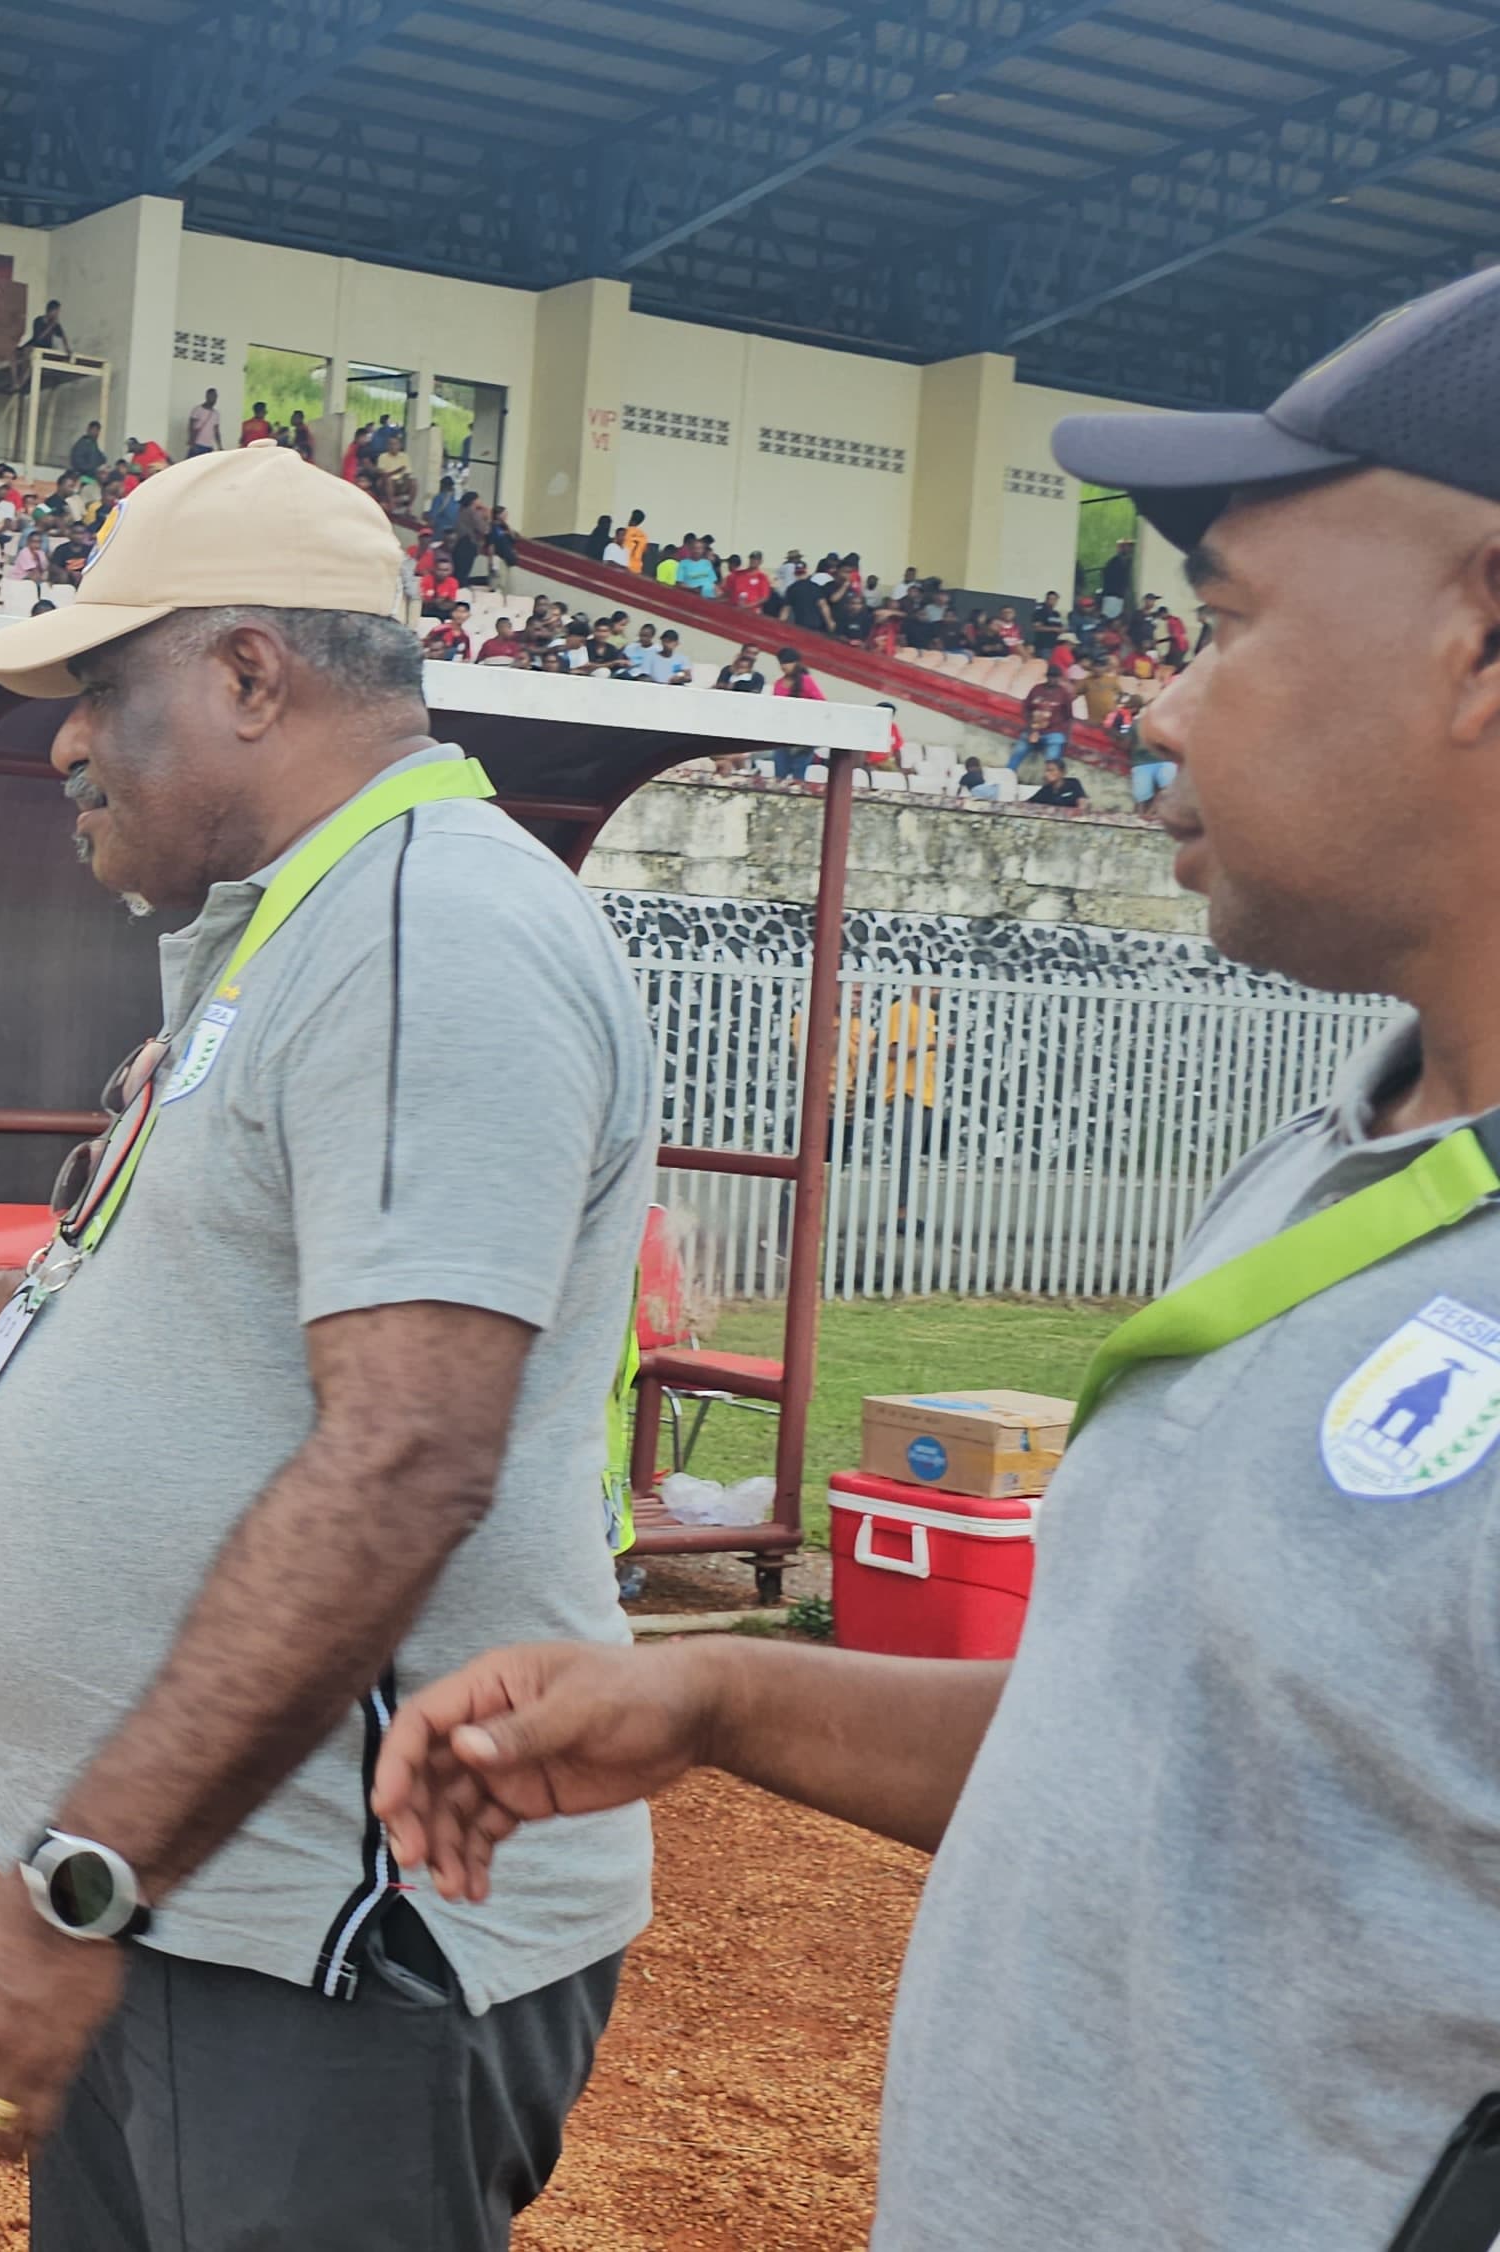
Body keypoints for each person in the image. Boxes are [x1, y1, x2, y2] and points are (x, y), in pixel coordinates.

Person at [368, 264, 1500, 2248]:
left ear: (1480, 639)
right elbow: (1168, 1764)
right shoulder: (1343, 1155)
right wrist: (715, 1699)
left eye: (1219, 623)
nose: (1150, 700)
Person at [0, 444, 655, 2248]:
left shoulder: (426, 925)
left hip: (329, 1923)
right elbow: (107, 1339)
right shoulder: (304, 931)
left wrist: (74, 1886)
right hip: (189, 1897)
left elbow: (404, 1455)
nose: (68, 743)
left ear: (250, 674)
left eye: (102, 686)